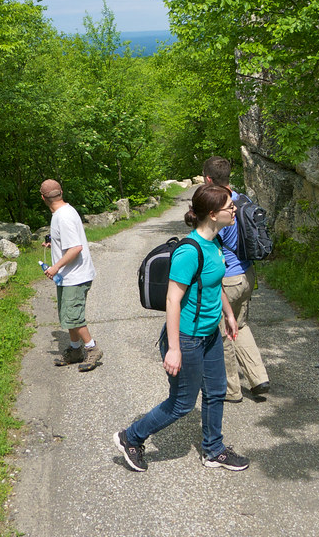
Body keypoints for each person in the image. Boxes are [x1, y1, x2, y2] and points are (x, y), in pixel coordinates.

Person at [113, 184, 249, 472]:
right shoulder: (189, 251)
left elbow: (213, 284)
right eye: (229, 207)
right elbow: (172, 300)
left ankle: (214, 450)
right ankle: (131, 437)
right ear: (213, 214)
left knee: (215, 391)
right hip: (187, 339)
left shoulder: (216, 242)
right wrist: (174, 348)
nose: (234, 209)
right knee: (182, 404)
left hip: (210, 334)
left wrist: (228, 314)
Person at [203, 155, 270, 402]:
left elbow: (206, 241)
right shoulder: (243, 199)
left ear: (209, 179)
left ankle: (231, 390)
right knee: (240, 325)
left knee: (222, 333)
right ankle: (258, 377)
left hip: (228, 281)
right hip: (248, 275)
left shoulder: (217, 207)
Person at [40, 179, 102, 372]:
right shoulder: (64, 212)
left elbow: (76, 247)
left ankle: (92, 348)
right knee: (68, 314)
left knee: (74, 315)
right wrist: (54, 245)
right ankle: (75, 350)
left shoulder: (63, 216)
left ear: (43, 198)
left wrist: (55, 267)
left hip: (76, 276)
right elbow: (68, 242)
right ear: (61, 192)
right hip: (70, 276)